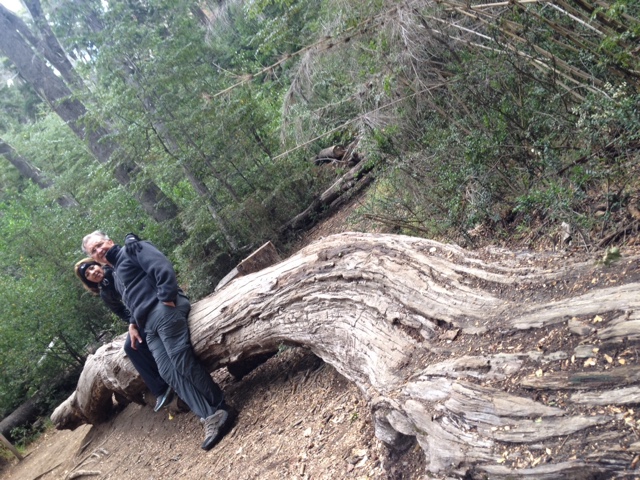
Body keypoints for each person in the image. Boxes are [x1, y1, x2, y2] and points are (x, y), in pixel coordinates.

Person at [81, 231, 235, 451]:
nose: (99, 251)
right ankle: (209, 416)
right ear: (93, 257)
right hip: (147, 325)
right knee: (167, 372)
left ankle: (221, 406)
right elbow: (132, 301)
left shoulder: (132, 250)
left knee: (180, 360)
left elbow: (161, 267)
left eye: (99, 244)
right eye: (93, 251)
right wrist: (133, 323)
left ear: (109, 241)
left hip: (164, 310)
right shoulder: (114, 275)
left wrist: (167, 299)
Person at [74, 258, 174, 412]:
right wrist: (133, 323)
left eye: (92, 268)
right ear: (88, 281)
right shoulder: (104, 292)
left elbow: (134, 293)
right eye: (87, 274)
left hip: (150, 305)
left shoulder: (115, 272)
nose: (92, 273)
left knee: (136, 344)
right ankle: (161, 388)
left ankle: (167, 379)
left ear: (98, 265)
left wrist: (134, 322)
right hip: (138, 318)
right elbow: (121, 311)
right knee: (131, 347)